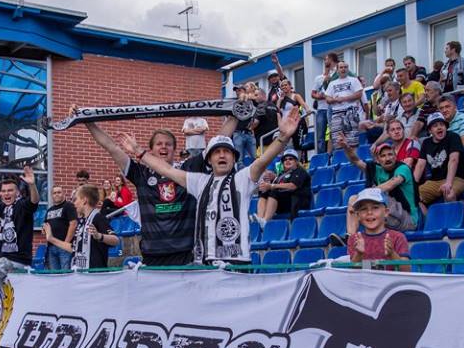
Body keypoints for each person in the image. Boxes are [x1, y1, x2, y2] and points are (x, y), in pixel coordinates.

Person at [130, 108, 303, 265]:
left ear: (234, 158)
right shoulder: (199, 182)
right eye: (217, 152)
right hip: (205, 263)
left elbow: (262, 161)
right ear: (209, 159)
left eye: (227, 152)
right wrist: (140, 152)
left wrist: (283, 137)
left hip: (236, 262)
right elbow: (166, 170)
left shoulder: (242, 179)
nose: (222, 155)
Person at [80, 108, 234, 266]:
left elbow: (218, 142)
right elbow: (111, 147)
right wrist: (87, 121)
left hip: (186, 254)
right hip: (152, 255)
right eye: (159, 144)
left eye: (168, 144)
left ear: (174, 149)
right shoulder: (141, 173)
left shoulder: (187, 169)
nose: (164, 147)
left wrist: (236, 115)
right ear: (151, 150)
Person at [341, 140, 420, 235]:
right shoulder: (376, 170)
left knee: (375, 200)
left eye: (390, 154)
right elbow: (356, 161)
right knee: (352, 199)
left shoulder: (403, 168)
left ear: (395, 157)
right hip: (388, 216)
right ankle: (351, 237)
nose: (387, 158)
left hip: (407, 220)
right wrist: (346, 147)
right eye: (383, 156)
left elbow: (390, 184)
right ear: (377, 160)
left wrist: (363, 195)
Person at [44, 184, 119, 270]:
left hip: (94, 273)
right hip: (80, 272)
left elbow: (116, 240)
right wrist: (51, 239)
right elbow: (73, 248)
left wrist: (99, 236)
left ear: (84, 201)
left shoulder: (98, 217)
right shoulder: (81, 222)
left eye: (76, 199)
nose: (74, 203)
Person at [346, 188, 411, 272]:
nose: (369, 212)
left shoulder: (398, 237)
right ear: (358, 215)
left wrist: (392, 254)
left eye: (375, 207)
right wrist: (359, 254)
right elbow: (352, 272)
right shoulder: (354, 239)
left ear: (386, 212)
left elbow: (406, 270)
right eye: (363, 209)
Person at [419, 113, 464, 208]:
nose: (439, 127)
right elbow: (420, 166)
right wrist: (412, 186)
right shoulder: (426, 143)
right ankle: (430, 217)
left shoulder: (453, 137)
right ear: (430, 130)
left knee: (449, 193)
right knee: (414, 196)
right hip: (435, 181)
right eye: (435, 126)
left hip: (458, 178)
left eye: (442, 124)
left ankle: (454, 218)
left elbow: (454, 160)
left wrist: (448, 183)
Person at [256, 149, 311, 223]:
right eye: (285, 160)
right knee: (264, 192)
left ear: (296, 161)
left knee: (274, 192)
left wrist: (272, 185)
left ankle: (265, 221)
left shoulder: (300, 171)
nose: (287, 161)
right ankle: (260, 218)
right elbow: (277, 185)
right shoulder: (282, 174)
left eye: (290, 159)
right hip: (284, 202)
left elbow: (293, 186)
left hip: (297, 203)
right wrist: (272, 179)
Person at [325, 61, 364, 148]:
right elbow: (327, 98)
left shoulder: (354, 80)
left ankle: (352, 156)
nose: (343, 69)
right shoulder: (332, 83)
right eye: (341, 67)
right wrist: (335, 100)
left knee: (352, 141)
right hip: (336, 114)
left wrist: (344, 98)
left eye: (345, 67)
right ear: (337, 70)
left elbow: (359, 94)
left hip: (351, 112)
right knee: (337, 141)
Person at [42, 185, 77, 270]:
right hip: (51, 247)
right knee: (54, 275)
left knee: (65, 274)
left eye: (59, 192)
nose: (57, 194)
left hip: (64, 247)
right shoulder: (49, 210)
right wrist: (44, 230)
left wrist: (65, 243)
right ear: (52, 195)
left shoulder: (69, 206)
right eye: (54, 193)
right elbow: (46, 225)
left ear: (63, 193)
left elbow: (73, 224)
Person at [312, 52, 339, 153]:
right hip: (321, 109)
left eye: (326, 59)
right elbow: (313, 94)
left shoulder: (336, 75)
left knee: (334, 132)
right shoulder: (318, 78)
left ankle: (335, 153)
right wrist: (320, 96)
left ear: (331, 60)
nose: (325, 61)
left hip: (334, 108)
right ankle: (321, 156)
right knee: (320, 135)